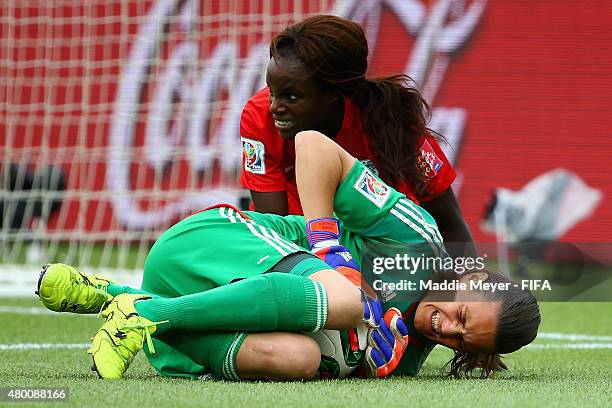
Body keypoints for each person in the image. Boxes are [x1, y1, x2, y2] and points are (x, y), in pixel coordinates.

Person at [37, 132, 540, 380]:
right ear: (470, 276)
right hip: (208, 242)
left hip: (208, 298)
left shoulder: (408, 351)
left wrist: (361, 368)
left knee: (299, 360)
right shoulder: (419, 241)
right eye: (462, 314)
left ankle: (122, 300)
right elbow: (313, 145)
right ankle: (146, 314)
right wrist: (329, 246)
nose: (445, 328)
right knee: (344, 299)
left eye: (459, 340)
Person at [239, 14, 476, 257]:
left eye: (291, 96)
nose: (274, 107)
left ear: (333, 92)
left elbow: (450, 224)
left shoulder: (392, 121)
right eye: (272, 91)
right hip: (299, 253)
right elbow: (275, 234)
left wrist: (472, 283)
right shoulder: (259, 119)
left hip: (382, 258)